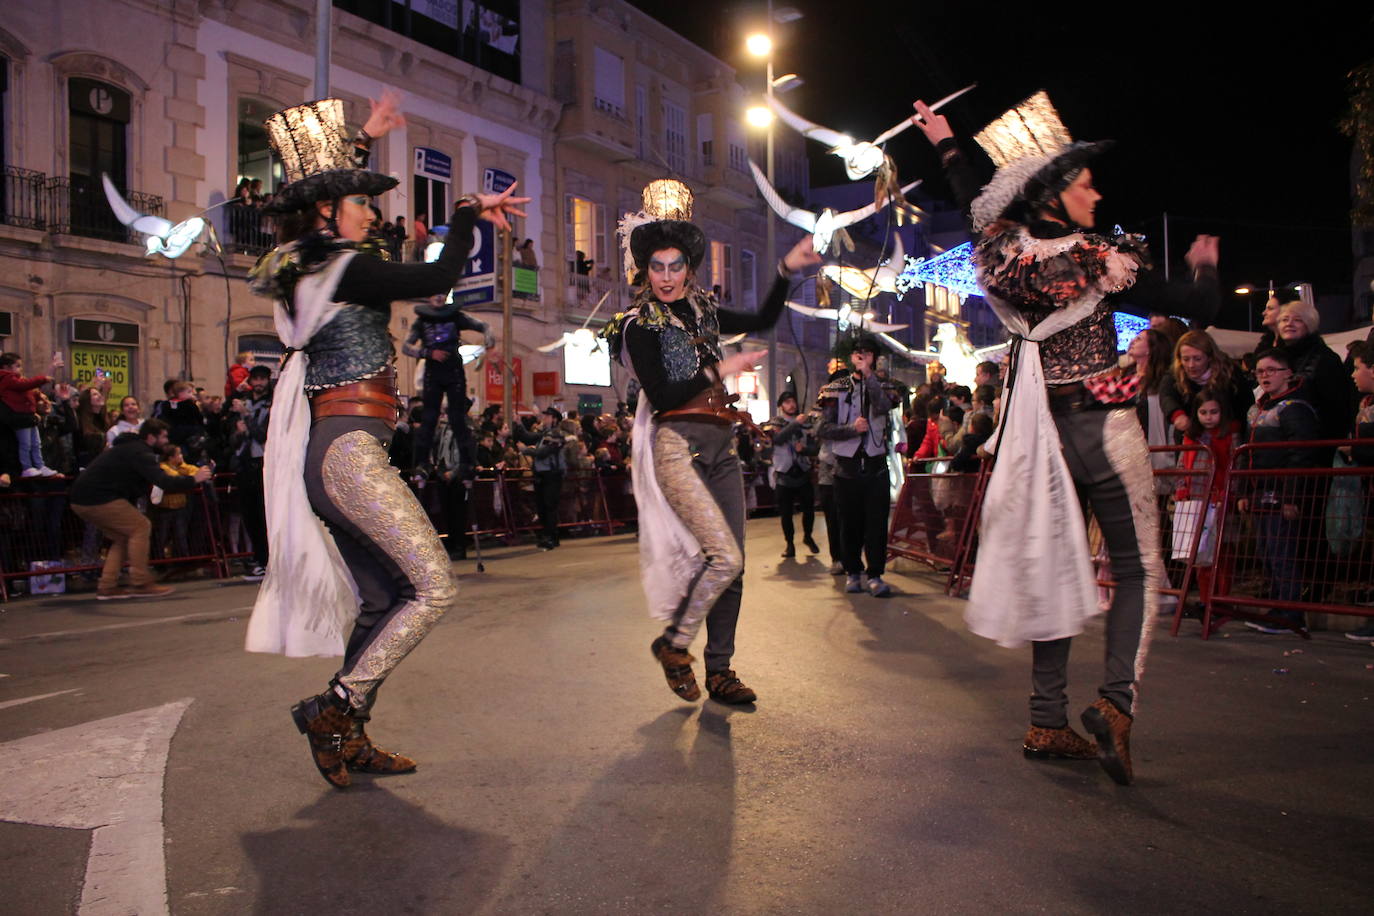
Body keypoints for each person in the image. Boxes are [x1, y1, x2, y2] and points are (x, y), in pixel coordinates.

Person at [912, 95, 1220, 785]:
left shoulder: (1001, 253)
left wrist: (947, 144)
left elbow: (975, 202)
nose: (1097, 191)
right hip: (1103, 427)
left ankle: (1046, 719)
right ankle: (1117, 706)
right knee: (1140, 569)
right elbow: (1198, 309)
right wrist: (1203, 268)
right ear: (1054, 191)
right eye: (1085, 182)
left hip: (1040, 433)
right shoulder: (1100, 259)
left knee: (1056, 567)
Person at [244, 91, 527, 788]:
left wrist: (360, 144)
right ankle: (334, 708)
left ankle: (348, 737)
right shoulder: (341, 268)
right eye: (361, 203)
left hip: (343, 448)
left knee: (382, 600)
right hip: (345, 452)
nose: (373, 214)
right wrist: (465, 216)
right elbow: (437, 277)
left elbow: (339, 212)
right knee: (432, 587)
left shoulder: (326, 264)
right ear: (326, 215)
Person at [604, 195, 820, 706]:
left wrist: (787, 271)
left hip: (722, 447)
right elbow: (663, 394)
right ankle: (674, 644)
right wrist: (720, 370)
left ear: (689, 268)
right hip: (678, 447)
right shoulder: (637, 325)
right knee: (721, 557)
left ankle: (720, 670)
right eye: (656, 267)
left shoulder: (704, 310)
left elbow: (764, 316)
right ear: (644, 271)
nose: (666, 275)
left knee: (735, 562)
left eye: (675, 265)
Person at [69, 418, 212, 599]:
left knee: (123, 537)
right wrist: (194, 479)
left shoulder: (129, 449)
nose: (167, 441)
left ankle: (107, 586)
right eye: (164, 437)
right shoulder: (140, 453)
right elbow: (163, 480)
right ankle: (140, 582)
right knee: (140, 526)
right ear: (151, 437)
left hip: (84, 497)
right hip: (98, 497)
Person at [1237, 349, 1323, 635]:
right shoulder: (1257, 408)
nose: (1264, 376)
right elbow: (1246, 453)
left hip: (1280, 491)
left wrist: (1292, 497)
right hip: (1260, 490)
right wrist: (1243, 491)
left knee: (1281, 550)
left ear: (1288, 373)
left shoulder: (1294, 408)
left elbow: (1301, 454)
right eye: (1260, 371)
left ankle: (1291, 611)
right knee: (1267, 550)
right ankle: (1279, 607)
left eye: (1271, 370)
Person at [819, 336, 897, 596]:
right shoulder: (836, 388)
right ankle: (853, 571)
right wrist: (851, 430)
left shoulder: (885, 385)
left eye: (868, 354)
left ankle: (875, 573)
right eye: (858, 353)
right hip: (845, 468)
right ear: (851, 357)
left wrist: (869, 376)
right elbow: (823, 428)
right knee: (849, 524)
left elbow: (884, 406)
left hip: (876, 466)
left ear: (875, 358)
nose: (862, 357)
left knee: (876, 524)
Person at [402, 296, 493, 471]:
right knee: (429, 418)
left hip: (454, 371)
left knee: (457, 418)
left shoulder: (456, 317)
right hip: (433, 372)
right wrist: (429, 353)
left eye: (442, 295)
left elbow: (485, 326)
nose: (438, 298)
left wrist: (490, 346)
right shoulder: (421, 322)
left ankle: (466, 463)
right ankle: (421, 463)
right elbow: (406, 347)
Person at [1275, 297, 1352, 447]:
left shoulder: (1325, 358)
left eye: (1297, 320)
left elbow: (1337, 408)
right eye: (1284, 319)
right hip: (1282, 440)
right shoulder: (1277, 357)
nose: (1289, 323)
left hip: (1314, 442)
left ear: (1309, 324)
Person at [1159, 330, 1253, 440]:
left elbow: (1246, 404)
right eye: (1186, 359)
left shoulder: (1231, 374)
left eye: (1197, 359)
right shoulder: (1174, 375)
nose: (1191, 365)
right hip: (1190, 439)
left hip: (1227, 438)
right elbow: (1167, 397)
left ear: (1210, 357)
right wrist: (1177, 415)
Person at [766, 391, 820, 559]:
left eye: (793, 401)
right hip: (783, 473)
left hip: (803, 472)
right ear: (781, 405)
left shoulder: (806, 423)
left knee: (809, 509)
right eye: (787, 402)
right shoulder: (775, 423)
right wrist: (795, 423)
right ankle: (789, 544)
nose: (791, 405)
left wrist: (804, 449)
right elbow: (778, 439)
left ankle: (808, 536)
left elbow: (816, 448)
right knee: (786, 513)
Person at [234, 365, 273, 580]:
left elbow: (263, 435)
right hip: (244, 463)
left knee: (262, 515)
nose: (258, 383)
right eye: (254, 379)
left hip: (262, 464)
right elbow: (233, 437)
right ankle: (258, 559)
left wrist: (246, 417)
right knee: (249, 516)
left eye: (261, 379)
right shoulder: (245, 400)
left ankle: (267, 560)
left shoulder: (272, 404)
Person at [511, 406, 567, 550]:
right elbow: (527, 437)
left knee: (549, 506)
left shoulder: (556, 435)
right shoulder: (544, 434)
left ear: (554, 419)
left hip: (552, 475)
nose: (544, 418)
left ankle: (551, 537)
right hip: (542, 474)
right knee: (542, 506)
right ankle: (547, 535)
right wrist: (518, 423)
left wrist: (526, 450)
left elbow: (544, 452)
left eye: (547, 416)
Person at [0, 351, 61, 477]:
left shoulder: (16, 380)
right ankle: (26, 466)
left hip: (29, 417)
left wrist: (39, 395)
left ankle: (40, 465)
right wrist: (42, 379)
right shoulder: (6, 379)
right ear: (6, 367)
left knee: (35, 443)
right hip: (20, 418)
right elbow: (25, 385)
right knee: (25, 443)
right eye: (17, 366)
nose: (20, 369)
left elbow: (29, 390)